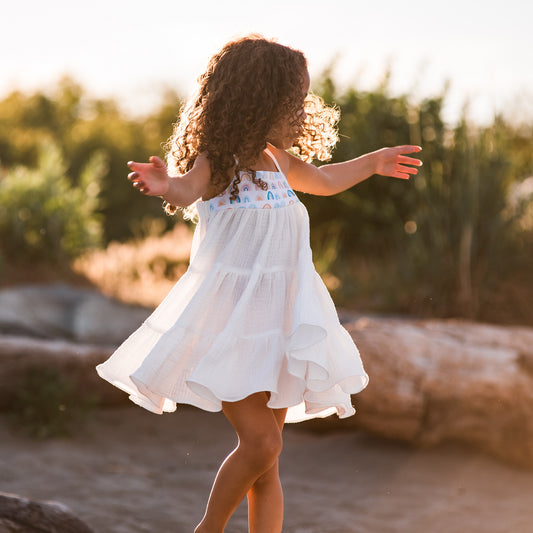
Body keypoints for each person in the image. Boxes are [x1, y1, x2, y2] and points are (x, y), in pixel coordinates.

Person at [96, 35, 422, 533]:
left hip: (281, 328)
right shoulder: (218, 162)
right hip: (232, 330)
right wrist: (166, 185)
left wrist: (372, 163)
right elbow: (186, 189)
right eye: (293, 101)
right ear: (258, 99)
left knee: (267, 467)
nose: (300, 111)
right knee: (262, 445)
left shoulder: (277, 163)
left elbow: (328, 180)